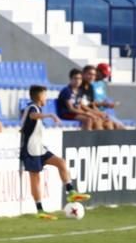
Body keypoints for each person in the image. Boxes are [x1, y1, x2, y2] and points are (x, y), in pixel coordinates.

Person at [21, 85, 91, 219]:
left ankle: (71, 192)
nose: (46, 98)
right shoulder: (32, 107)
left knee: (61, 162)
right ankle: (40, 210)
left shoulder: (36, 107)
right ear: (39, 96)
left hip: (39, 148)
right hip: (30, 149)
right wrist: (50, 115)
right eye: (45, 95)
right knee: (35, 178)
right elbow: (33, 115)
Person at [80, 65, 123, 130]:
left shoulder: (92, 86)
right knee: (99, 123)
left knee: (113, 125)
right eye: (90, 74)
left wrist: (102, 111)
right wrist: (98, 112)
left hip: (97, 111)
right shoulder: (81, 86)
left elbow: (91, 104)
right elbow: (82, 105)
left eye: (93, 75)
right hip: (85, 112)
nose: (104, 77)